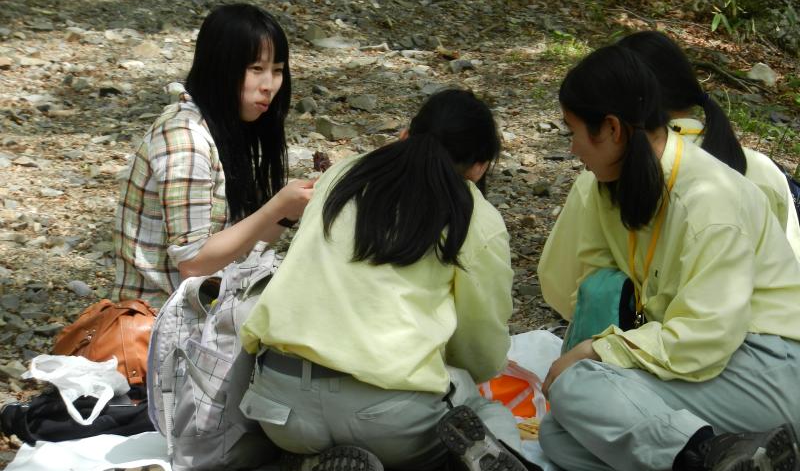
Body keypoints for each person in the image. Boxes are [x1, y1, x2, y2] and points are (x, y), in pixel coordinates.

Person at [239, 89, 535, 471]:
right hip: (388, 421)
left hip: (280, 407)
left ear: (405, 136)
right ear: (479, 167)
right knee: (480, 408)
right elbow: (479, 346)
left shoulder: (342, 175)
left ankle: (309, 461)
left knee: (320, 429)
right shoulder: (474, 215)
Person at [537, 45, 800, 471]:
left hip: (768, 367)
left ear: (610, 129)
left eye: (573, 132)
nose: (572, 149)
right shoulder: (622, 183)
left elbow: (705, 339)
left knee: (577, 389)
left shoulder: (710, 201)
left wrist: (596, 350)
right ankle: (724, 457)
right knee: (561, 436)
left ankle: (706, 456)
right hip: (715, 357)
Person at [539, 30, 800, 319]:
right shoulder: (765, 170)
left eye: (572, 132)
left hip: (716, 344)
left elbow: (561, 285)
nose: (573, 148)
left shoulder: (605, 174)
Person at [113, 3, 314, 307]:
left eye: (277, 71)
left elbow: (239, 249)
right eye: (256, 69)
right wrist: (275, 206)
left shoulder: (225, 130)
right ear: (221, 67)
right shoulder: (184, 139)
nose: (268, 86)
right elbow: (193, 262)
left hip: (201, 313)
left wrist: (290, 211)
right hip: (159, 329)